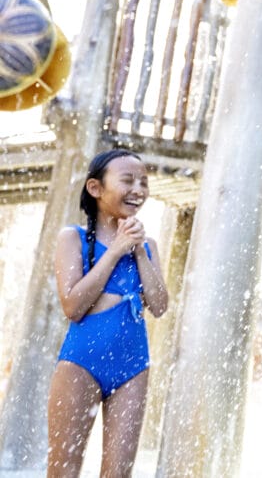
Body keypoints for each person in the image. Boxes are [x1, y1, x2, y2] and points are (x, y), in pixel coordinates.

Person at [47, 149, 168, 478]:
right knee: (63, 469)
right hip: (80, 363)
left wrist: (139, 252)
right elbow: (72, 307)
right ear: (95, 188)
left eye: (143, 181)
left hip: (133, 367)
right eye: (127, 180)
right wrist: (115, 250)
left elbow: (159, 305)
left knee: (119, 473)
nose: (138, 189)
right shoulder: (71, 237)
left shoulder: (148, 245)